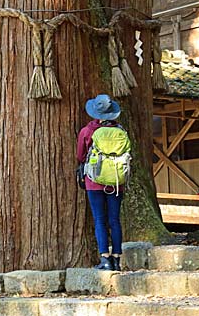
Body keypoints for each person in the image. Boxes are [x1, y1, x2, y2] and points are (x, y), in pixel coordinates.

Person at [77, 94, 128, 271]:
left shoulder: (87, 131)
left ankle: (105, 259)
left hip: (94, 180)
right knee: (114, 219)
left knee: (100, 219)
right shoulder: (120, 131)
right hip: (116, 180)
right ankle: (117, 259)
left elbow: (80, 156)